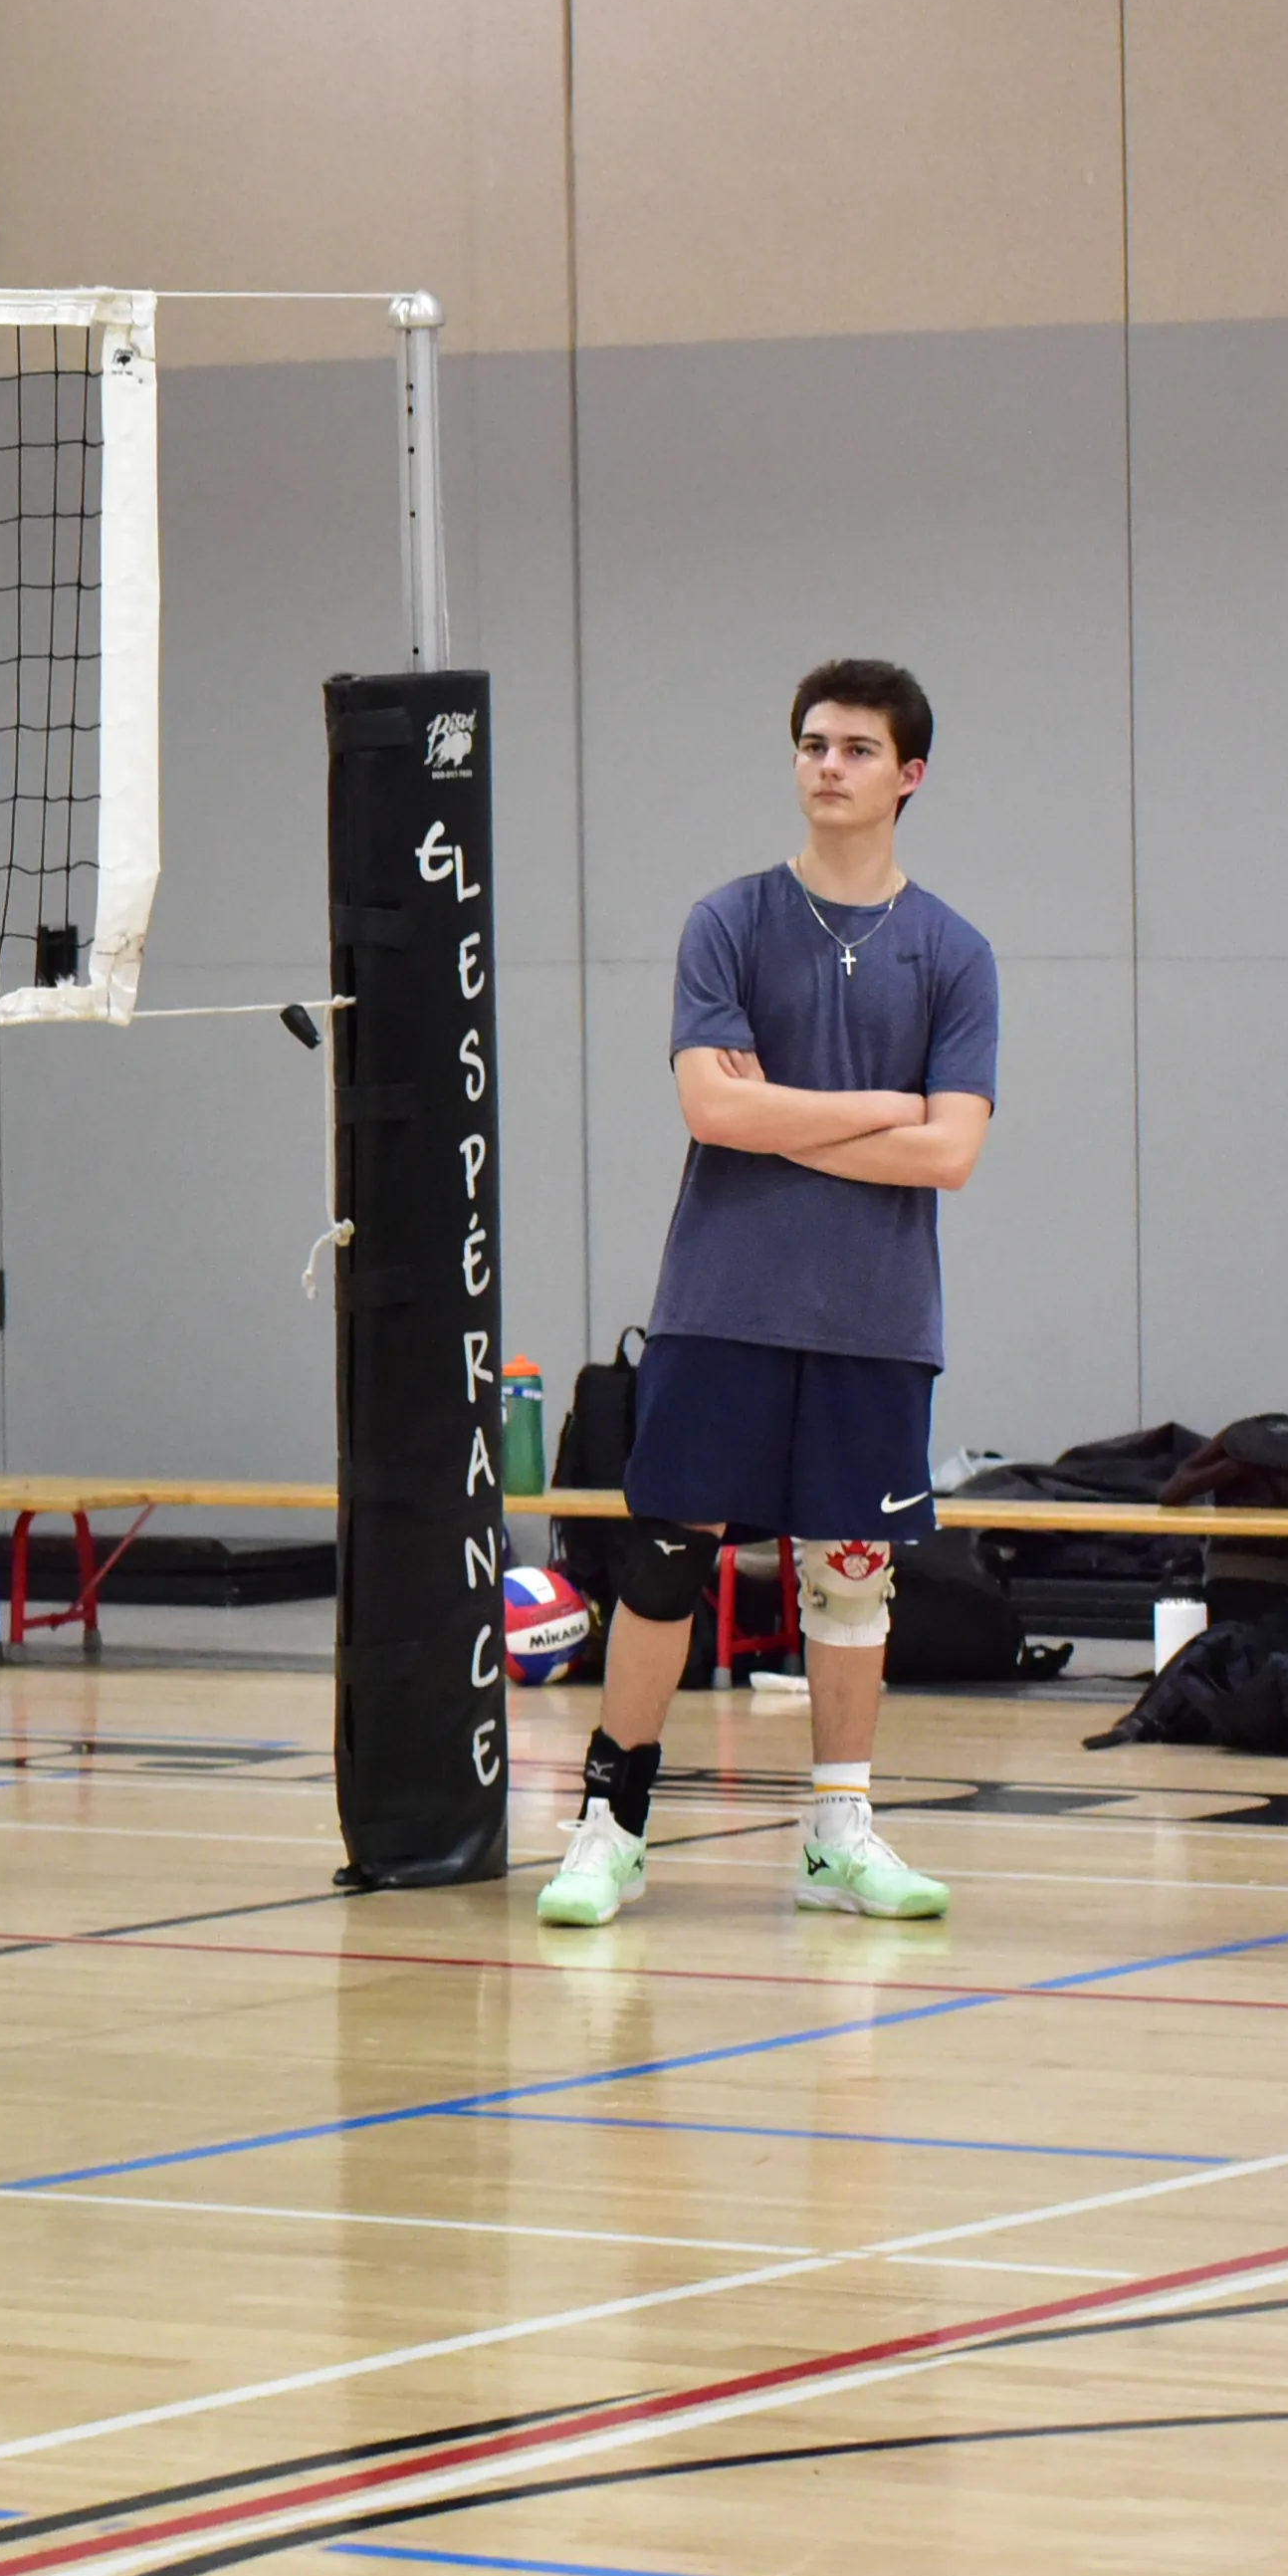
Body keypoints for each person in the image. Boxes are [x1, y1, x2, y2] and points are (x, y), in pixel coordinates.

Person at [539, 658, 993, 1930]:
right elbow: (708, 1106)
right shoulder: (728, 920)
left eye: (856, 748)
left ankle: (838, 1829)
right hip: (721, 1304)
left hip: (876, 1319)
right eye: (811, 743)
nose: (827, 765)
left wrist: (775, 1117)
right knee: (665, 1560)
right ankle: (609, 1824)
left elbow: (951, 1152)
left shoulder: (954, 953)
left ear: (909, 775)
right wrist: (878, 1106)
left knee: (853, 1575)